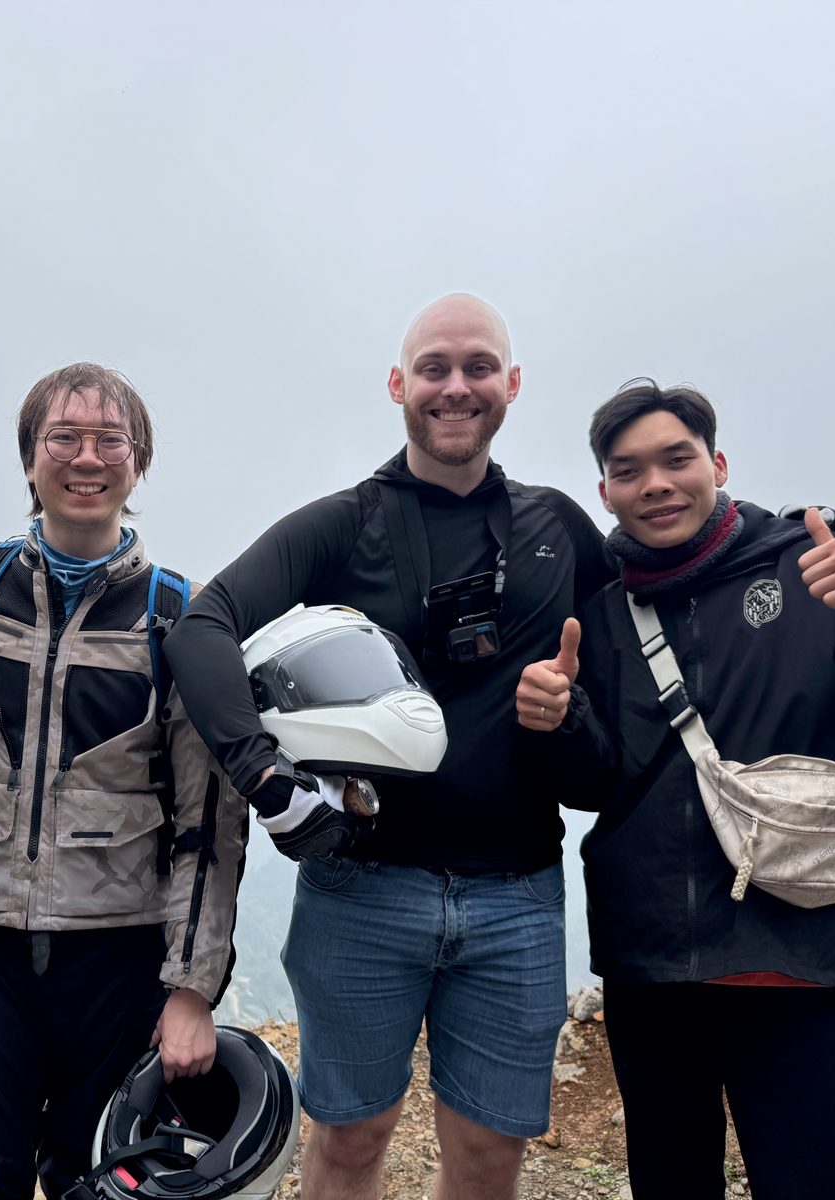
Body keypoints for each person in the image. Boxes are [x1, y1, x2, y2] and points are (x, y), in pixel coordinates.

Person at [163, 295, 613, 1200]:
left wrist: (566, 715)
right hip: (360, 890)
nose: (457, 387)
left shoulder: (560, 529)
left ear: (513, 385)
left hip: (517, 894)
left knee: (489, 1157)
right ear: (398, 384)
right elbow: (201, 627)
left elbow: (620, 695)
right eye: (435, 368)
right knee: (353, 1141)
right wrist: (264, 776)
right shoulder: (346, 523)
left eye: (479, 366)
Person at [517, 380, 835, 1199]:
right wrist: (559, 721)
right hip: (652, 964)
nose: (654, 483)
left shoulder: (820, 560)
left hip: (798, 956)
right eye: (627, 471)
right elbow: (602, 786)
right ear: (606, 493)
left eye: (676, 459)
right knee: (671, 1183)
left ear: (718, 462)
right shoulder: (606, 613)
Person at [0, 363, 248, 1200]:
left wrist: (192, 991)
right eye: (64, 437)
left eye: (110, 440)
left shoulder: (179, 616)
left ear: (139, 465)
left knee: (99, 1177)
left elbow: (210, 822)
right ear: (30, 459)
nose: (86, 457)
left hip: (120, 951)